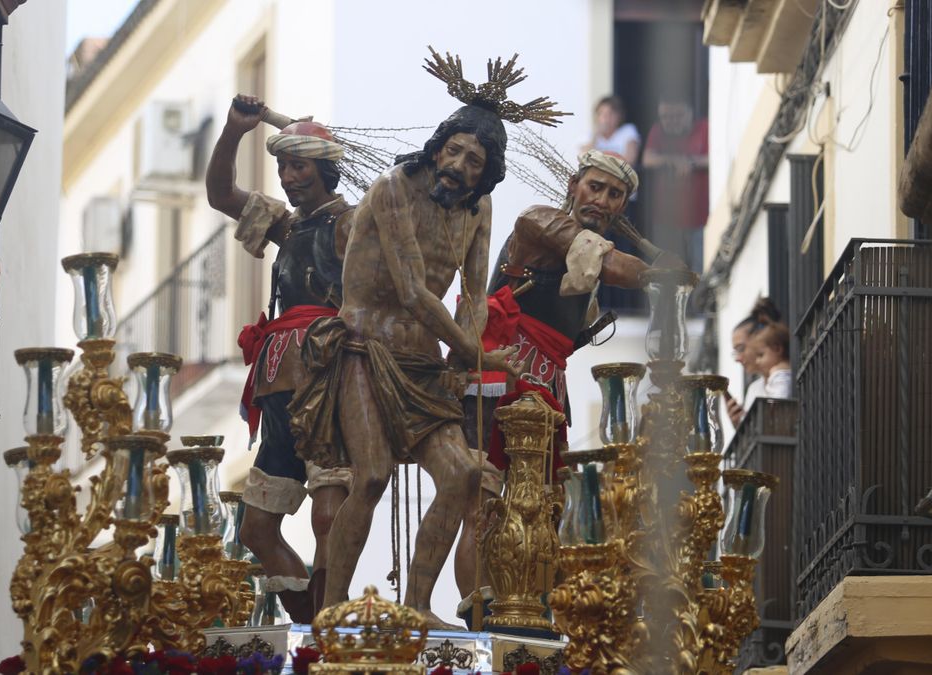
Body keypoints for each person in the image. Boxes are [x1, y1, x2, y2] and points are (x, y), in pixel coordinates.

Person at [288, 101, 522, 627]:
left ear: (487, 173)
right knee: (370, 477)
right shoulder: (395, 186)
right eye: (454, 151)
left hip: (423, 360)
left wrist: (471, 342)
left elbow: (475, 292)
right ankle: (332, 608)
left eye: (474, 161)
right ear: (438, 146)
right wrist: (478, 356)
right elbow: (414, 291)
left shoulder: (479, 210)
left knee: (462, 475)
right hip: (364, 348)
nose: (459, 166)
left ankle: (417, 607)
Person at [454, 150, 681, 609]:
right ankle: (477, 612)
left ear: (622, 206)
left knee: (548, 508)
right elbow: (616, 265)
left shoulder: (590, 254)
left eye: (614, 194)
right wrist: (661, 272)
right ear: (575, 184)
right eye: (594, 187)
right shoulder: (541, 222)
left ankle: (531, 607)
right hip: (500, 372)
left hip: (548, 385)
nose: (601, 199)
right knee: (483, 500)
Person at [205, 94, 353, 622]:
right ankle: (312, 620)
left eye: (299, 165)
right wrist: (233, 131)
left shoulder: (352, 226)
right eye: (283, 166)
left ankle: (328, 622)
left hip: (325, 374)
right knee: (255, 529)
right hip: (276, 384)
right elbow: (221, 192)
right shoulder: (286, 227)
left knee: (329, 509)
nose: (288, 177)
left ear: (325, 170)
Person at [641, 95, 708, 272]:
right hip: (667, 217)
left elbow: (715, 158)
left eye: (677, 116)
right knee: (667, 272)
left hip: (700, 217)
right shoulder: (658, 131)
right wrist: (674, 161)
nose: (671, 122)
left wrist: (691, 163)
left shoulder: (705, 128)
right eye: (666, 118)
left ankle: (699, 301)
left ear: (689, 113)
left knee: (699, 270)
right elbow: (648, 159)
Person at [724, 298, 781, 425]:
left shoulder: (785, 376)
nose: (737, 359)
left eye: (741, 349)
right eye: (736, 352)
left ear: (760, 339)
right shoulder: (754, 390)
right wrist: (739, 426)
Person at [583, 96, 640, 166]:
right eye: (602, 113)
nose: (606, 118)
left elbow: (630, 160)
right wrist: (595, 136)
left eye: (610, 113)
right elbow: (584, 159)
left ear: (619, 116)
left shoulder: (628, 130)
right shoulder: (591, 134)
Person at [750, 321, 792, 398]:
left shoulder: (779, 373)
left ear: (777, 349)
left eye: (761, 355)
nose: (757, 361)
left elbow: (779, 400)